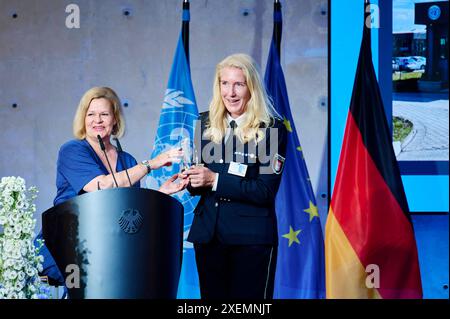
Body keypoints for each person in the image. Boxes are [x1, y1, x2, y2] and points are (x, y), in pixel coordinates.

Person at [38, 86, 188, 288]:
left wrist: (161, 193)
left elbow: (130, 210)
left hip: (108, 248)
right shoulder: (72, 150)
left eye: (104, 114)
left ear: (115, 119)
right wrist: (151, 164)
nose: (97, 120)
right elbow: (102, 186)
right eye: (91, 114)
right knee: (89, 282)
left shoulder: (127, 160)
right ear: (83, 118)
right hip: (66, 245)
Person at [181, 54, 287, 299]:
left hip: (251, 239)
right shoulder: (204, 121)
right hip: (209, 235)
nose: (231, 92)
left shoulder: (271, 128)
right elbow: (200, 182)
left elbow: (264, 191)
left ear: (251, 88)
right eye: (225, 83)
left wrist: (214, 180)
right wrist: (192, 180)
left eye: (238, 84)